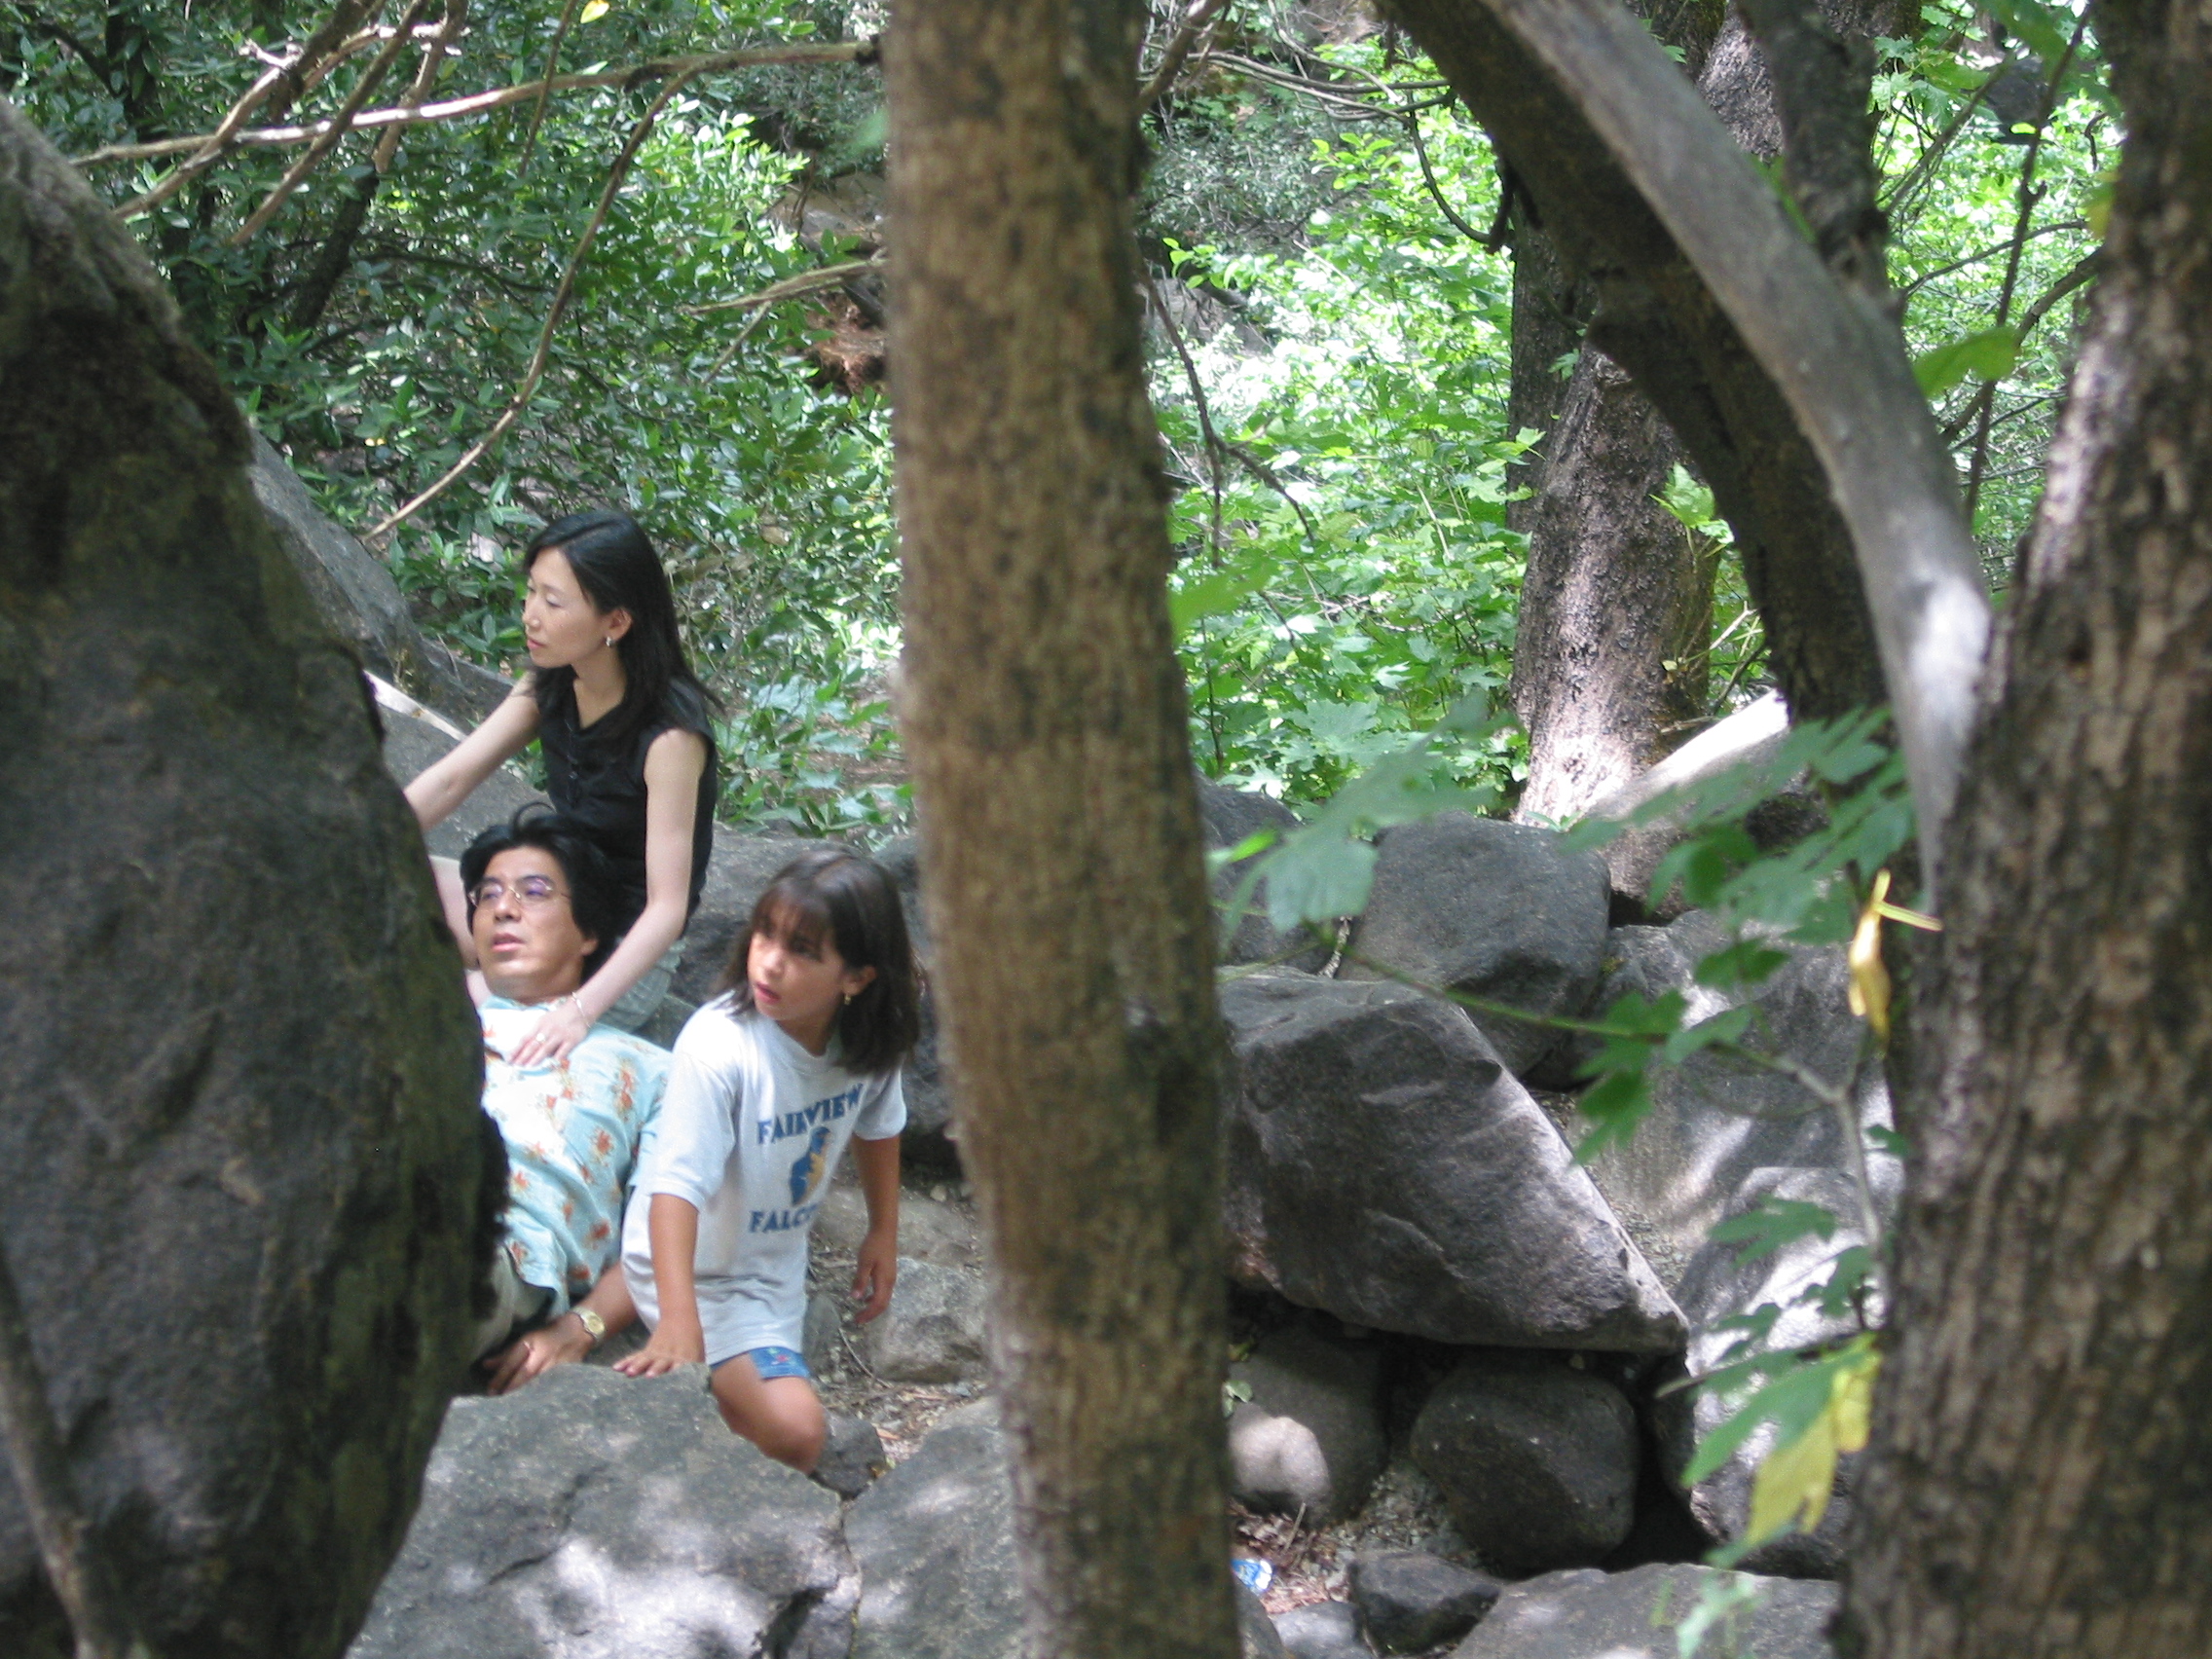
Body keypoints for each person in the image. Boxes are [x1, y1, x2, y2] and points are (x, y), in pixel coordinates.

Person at [614, 849, 920, 1472]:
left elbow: (879, 1124)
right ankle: (633, 1334)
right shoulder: (719, 1041)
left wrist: (882, 1231)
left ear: (857, 978)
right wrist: (679, 1322)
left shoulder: (867, 1042)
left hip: (767, 1271)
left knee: (789, 1433)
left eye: (804, 950)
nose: (771, 962)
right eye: (766, 934)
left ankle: (610, 1324)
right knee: (800, 1433)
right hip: (692, 1272)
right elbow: (675, 1186)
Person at [406, 510, 719, 1063]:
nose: (530, 616)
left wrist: (580, 1010)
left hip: (618, 945)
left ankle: (495, 990)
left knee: (461, 1008)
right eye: (530, 594)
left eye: (552, 602)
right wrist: (352, 842)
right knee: (389, 870)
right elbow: (452, 778)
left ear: (615, 622)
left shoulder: (669, 737)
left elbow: (667, 909)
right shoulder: (548, 685)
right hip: (546, 902)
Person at [462, 807, 671, 1394]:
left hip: (494, 1253)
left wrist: (582, 1327)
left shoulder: (653, 1070)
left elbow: (673, 1225)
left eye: (534, 892)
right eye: (487, 895)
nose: (503, 909)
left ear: (588, 932)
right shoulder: (429, 1020)